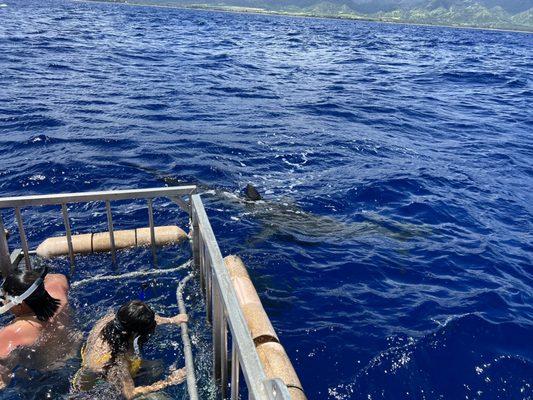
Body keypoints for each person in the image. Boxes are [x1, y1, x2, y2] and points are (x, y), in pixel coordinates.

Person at [72, 300, 188, 399]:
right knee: (158, 392)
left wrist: (171, 320)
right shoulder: (117, 359)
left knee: (156, 366)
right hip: (89, 393)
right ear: (135, 332)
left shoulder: (111, 320)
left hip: (89, 368)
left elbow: (136, 320)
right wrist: (169, 381)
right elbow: (130, 394)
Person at [0, 265, 71, 389]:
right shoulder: (60, 299)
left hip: (42, 381)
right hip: (72, 362)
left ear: (19, 304)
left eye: (4, 297)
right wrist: (29, 279)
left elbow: (2, 378)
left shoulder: (13, 332)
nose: (3, 301)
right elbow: (58, 277)